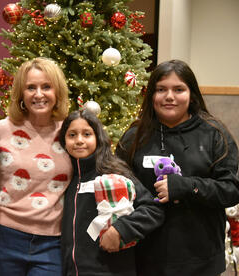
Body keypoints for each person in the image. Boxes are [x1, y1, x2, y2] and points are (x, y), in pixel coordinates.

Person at [115, 59, 239, 275]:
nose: (169, 96)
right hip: (144, 258)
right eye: (161, 89)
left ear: (191, 94)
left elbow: (231, 190)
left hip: (201, 260)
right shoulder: (134, 137)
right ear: (151, 94)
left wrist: (188, 186)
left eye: (178, 89)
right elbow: (118, 188)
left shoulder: (214, 134)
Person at [0, 57, 72, 275]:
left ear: (57, 92)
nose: (39, 94)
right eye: (30, 87)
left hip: (52, 241)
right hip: (4, 235)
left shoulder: (70, 131)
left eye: (46, 87)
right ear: (21, 94)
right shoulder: (0, 130)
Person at [58, 109, 164, 275]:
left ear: (98, 138)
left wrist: (121, 230)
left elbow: (153, 209)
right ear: (64, 140)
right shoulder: (67, 178)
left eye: (87, 134)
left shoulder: (113, 172)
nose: (79, 140)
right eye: (72, 135)